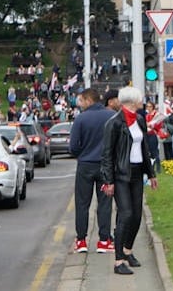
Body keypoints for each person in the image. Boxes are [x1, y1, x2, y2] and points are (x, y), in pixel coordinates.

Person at [99, 87, 158, 275]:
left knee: (136, 215)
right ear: (132, 101)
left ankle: (127, 250)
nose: (142, 100)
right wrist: (109, 180)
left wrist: (151, 174)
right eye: (140, 98)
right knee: (125, 214)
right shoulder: (114, 123)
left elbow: (144, 149)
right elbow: (107, 154)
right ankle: (118, 261)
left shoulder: (139, 120)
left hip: (137, 172)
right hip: (120, 174)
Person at [69, 88, 115, 254]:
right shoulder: (110, 116)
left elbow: (73, 146)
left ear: (88, 100)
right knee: (105, 203)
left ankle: (81, 240)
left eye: (81, 100)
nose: (80, 104)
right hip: (105, 166)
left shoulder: (81, 119)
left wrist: (82, 154)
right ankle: (104, 241)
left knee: (82, 203)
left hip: (86, 165)